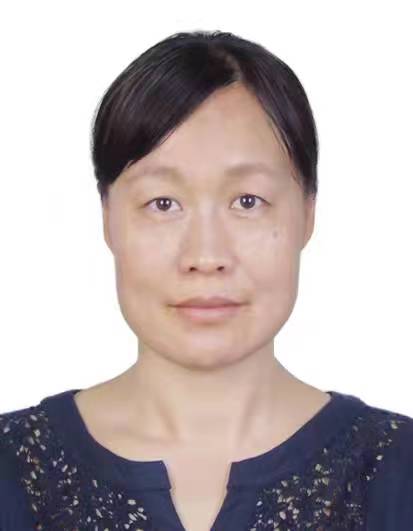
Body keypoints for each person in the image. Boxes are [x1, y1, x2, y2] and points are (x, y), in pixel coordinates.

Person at [0, 29, 412, 531]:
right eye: (163, 203)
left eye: (247, 201)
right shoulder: (13, 467)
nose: (205, 256)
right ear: (107, 219)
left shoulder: (397, 468)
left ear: (308, 214)